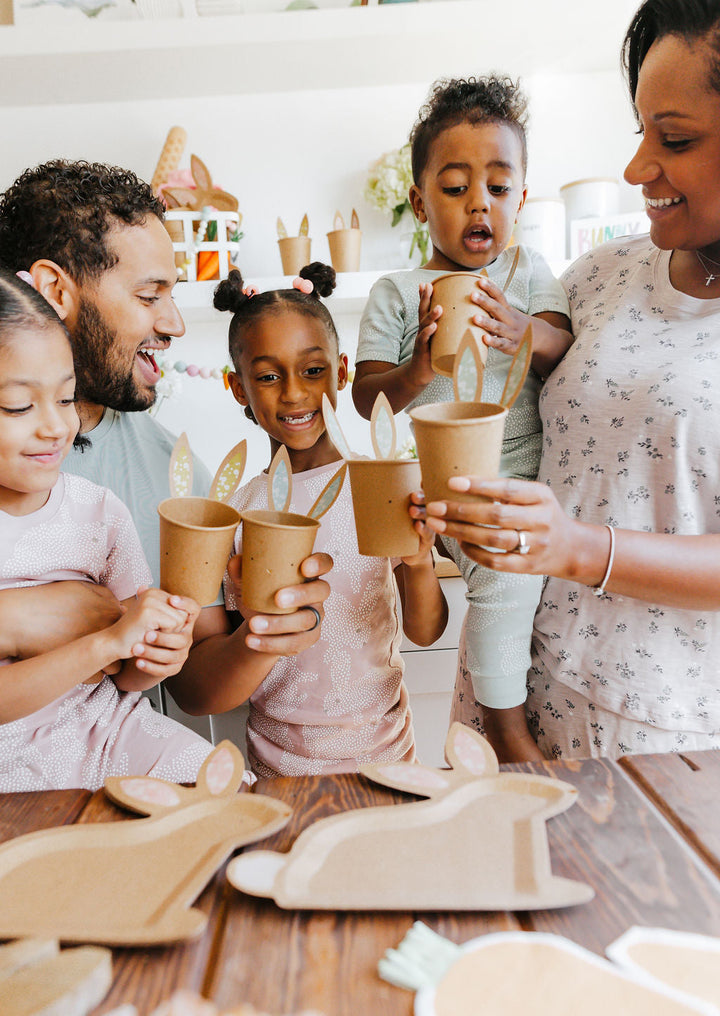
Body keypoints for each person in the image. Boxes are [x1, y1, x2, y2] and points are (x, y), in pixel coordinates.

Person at [423, 0, 720, 760]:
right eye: (641, 131)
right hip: (512, 680)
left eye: (676, 138)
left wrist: (577, 548)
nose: (636, 169)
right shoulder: (597, 278)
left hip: (660, 726)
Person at [0, 160, 333, 707]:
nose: (174, 323)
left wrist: (262, 635)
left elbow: (192, 686)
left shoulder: (169, 471)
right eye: (150, 296)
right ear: (55, 290)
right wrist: (18, 617)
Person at [352, 76, 573, 761]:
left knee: (511, 578)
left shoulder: (530, 274)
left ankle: (492, 722)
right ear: (419, 202)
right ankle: (505, 731)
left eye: (499, 187)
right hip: (435, 485)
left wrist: (522, 331)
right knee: (477, 577)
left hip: (519, 476)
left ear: (522, 198)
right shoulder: (395, 293)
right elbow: (367, 399)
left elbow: (563, 348)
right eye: (454, 187)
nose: (480, 202)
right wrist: (418, 367)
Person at [167, 264, 448, 777]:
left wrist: (420, 561)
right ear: (237, 387)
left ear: (342, 371)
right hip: (280, 773)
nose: (294, 393)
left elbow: (427, 631)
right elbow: (202, 681)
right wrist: (260, 627)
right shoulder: (235, 515)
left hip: (389, 760)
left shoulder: (382, 486)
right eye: (269, 376)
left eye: (313, 370)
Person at [0, 269, 214, 791]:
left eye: (67, 398)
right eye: (20, 406)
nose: (56, 426)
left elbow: (130, 675)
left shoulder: (98, 511)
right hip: (12, 766)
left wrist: (159, 650)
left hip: (109, 737)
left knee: (222, 788)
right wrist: (103, 645)